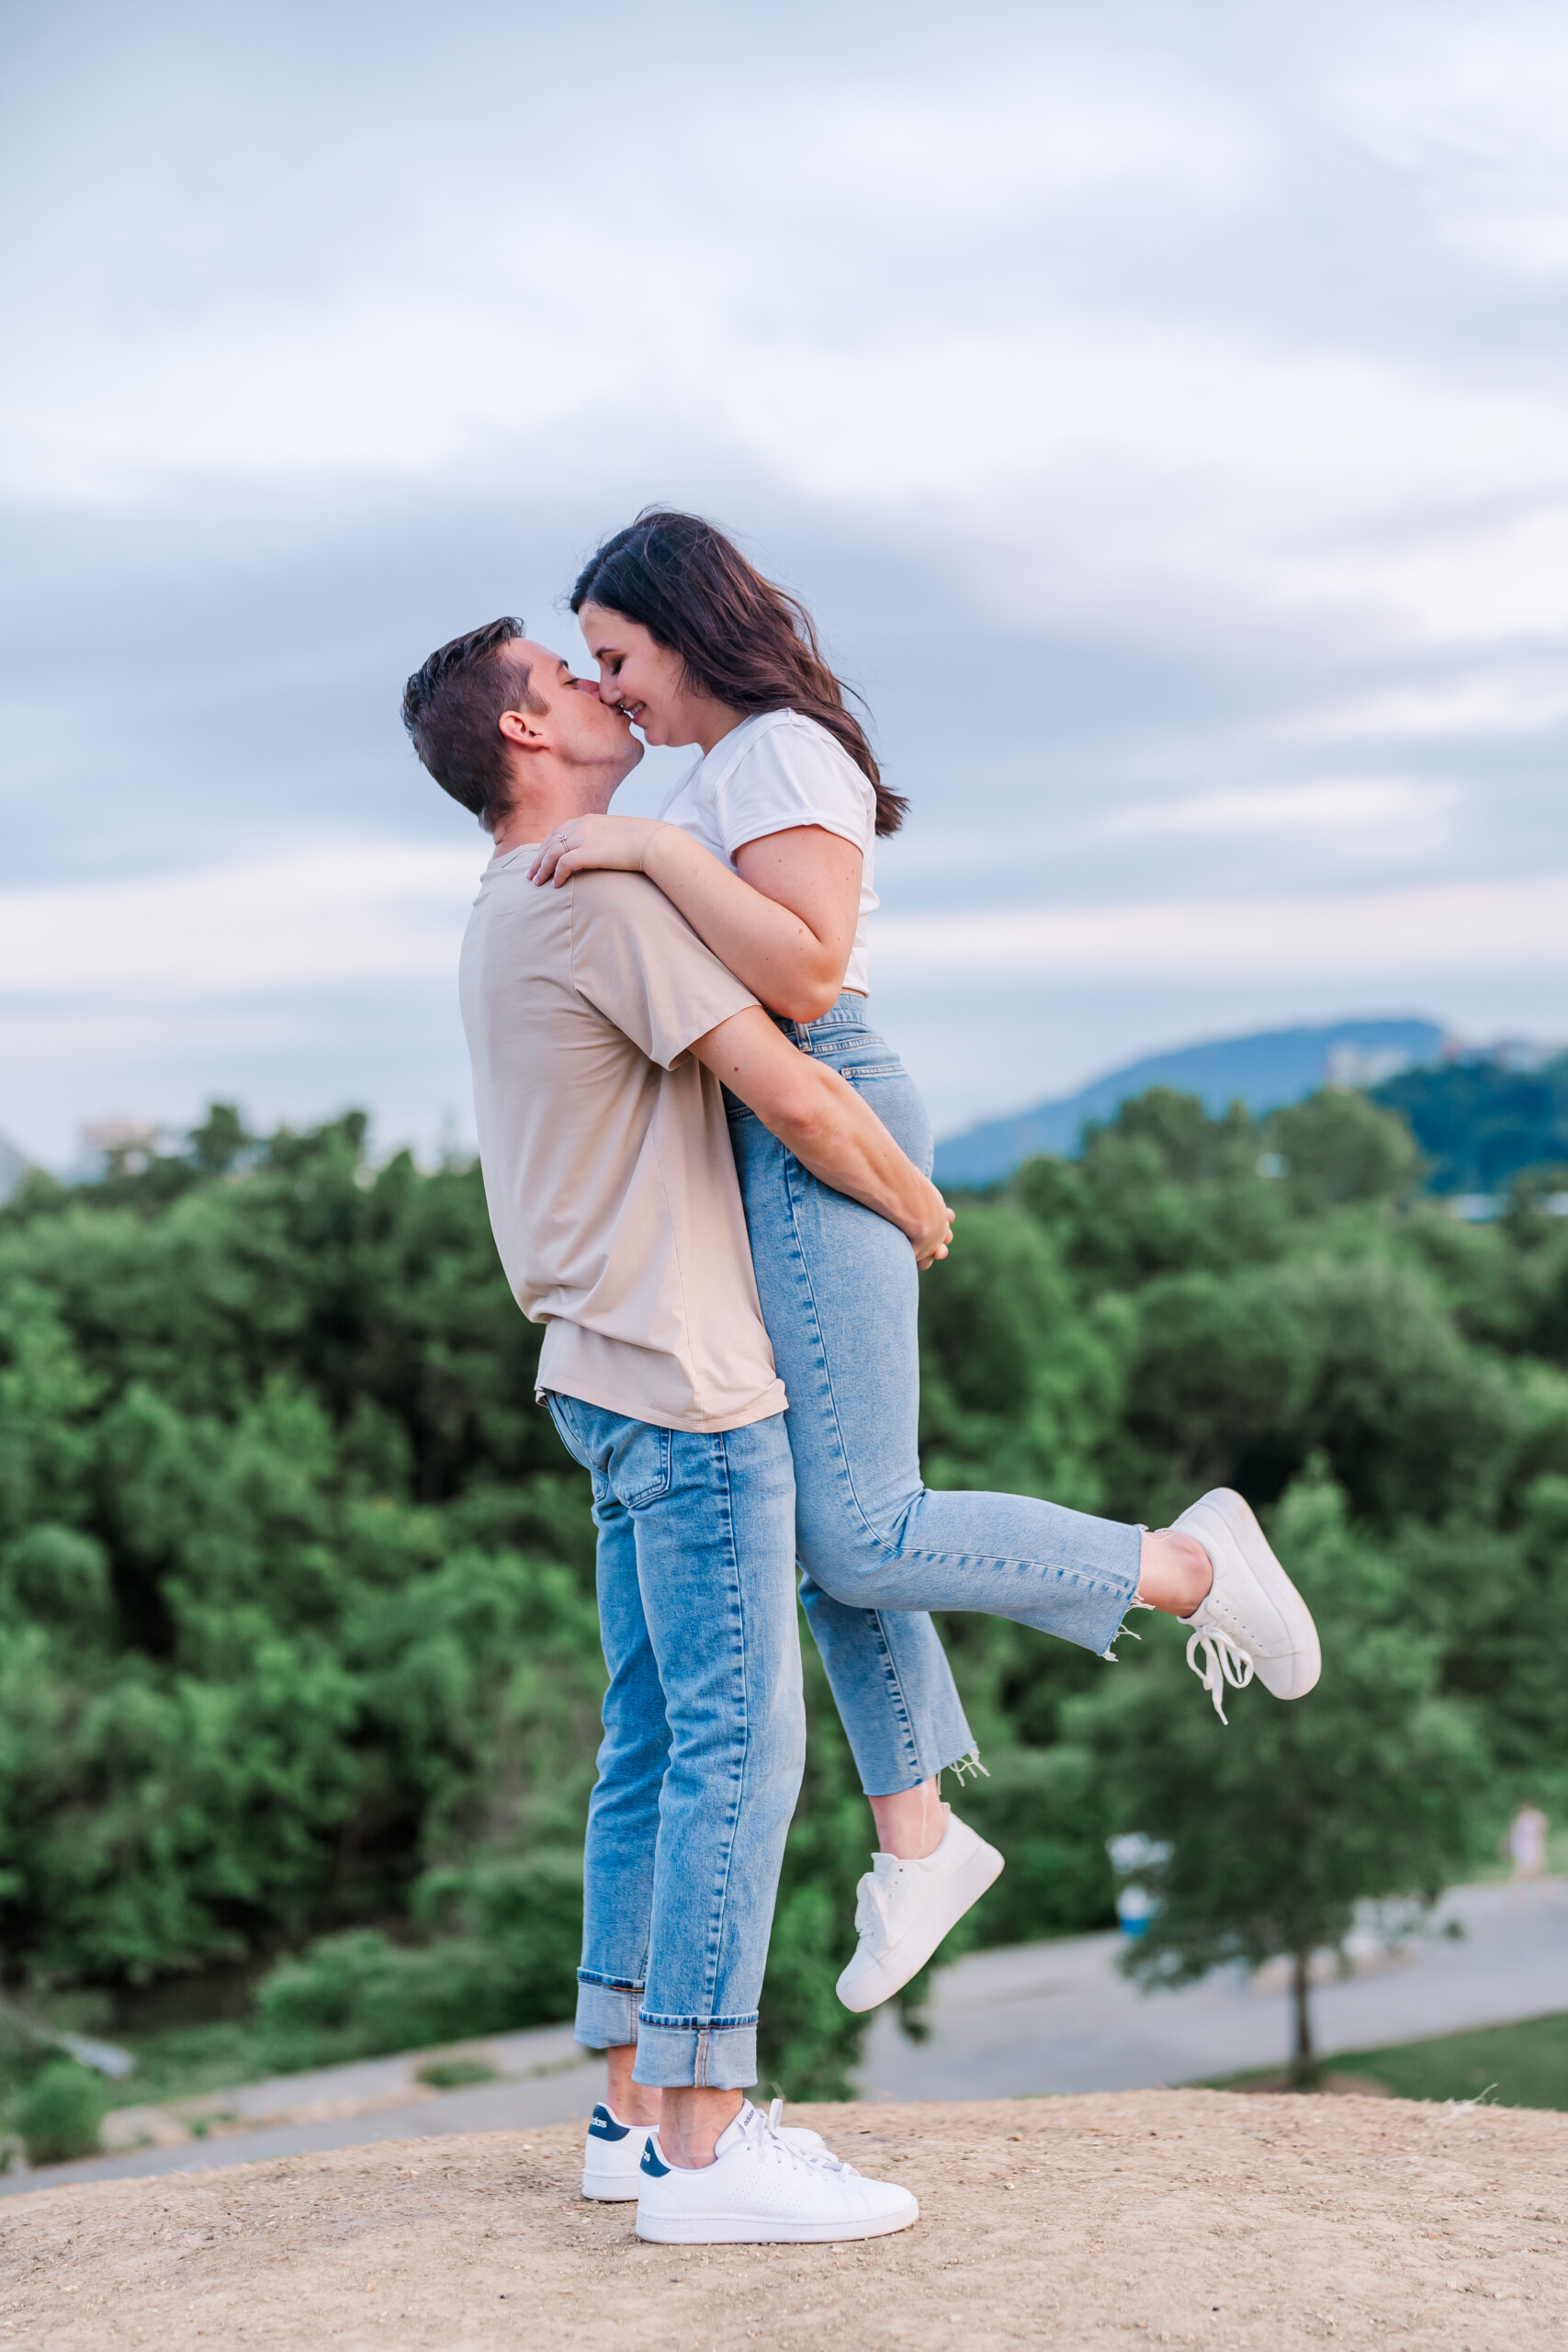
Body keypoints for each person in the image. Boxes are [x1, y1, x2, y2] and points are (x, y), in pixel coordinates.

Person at [531, 509, 1324, 2007]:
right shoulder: (726, 769)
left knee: (862, 1530)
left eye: (618, 654)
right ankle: (919, 1842)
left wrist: (639, 846)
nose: (611, 684)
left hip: (816, 1091)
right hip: (765, 1121)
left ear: (682, 629)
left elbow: (809, 968)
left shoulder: (773, 749)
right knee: (815, 1515)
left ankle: (1194, 1567)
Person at [402, 616, 946, 2243]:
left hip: (596, 1370)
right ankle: (707, 2147)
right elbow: (784, 1081)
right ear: (522, 732)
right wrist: (917, 1206)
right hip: (688, 1382)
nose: (599, 688)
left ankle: (629, 2108)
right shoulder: (603, 893)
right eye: (565, 677)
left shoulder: (508, 909)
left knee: (650, 1738)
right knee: (741, 1746)